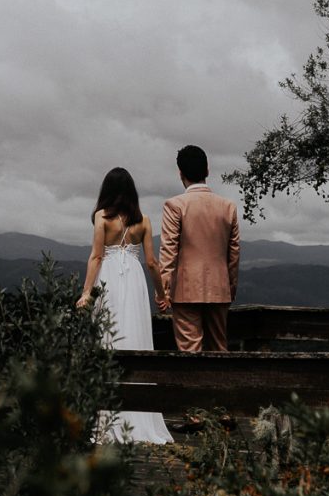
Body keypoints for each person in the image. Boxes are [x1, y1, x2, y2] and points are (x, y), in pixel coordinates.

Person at [76, 167, 173, 445]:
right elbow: (152, 263)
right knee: (138, 337)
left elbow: (96, 257)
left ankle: (108, 416)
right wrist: (161, 295)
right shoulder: (143, 221)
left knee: (107, 340)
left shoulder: (101, 218)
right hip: (135, 279)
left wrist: (86, 294)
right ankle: (139, 415)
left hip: (108, 279)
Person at [159, 144, 240, 353]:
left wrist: (163, 290)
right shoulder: (228, 207)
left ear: (180, 173)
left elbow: (169, 249)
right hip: (219, 289)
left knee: (190, 352)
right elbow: (234, 254)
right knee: (219, 350)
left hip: (185, 290)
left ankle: (194, 385)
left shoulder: (175, 205)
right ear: (207, 170)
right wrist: (230, 287)